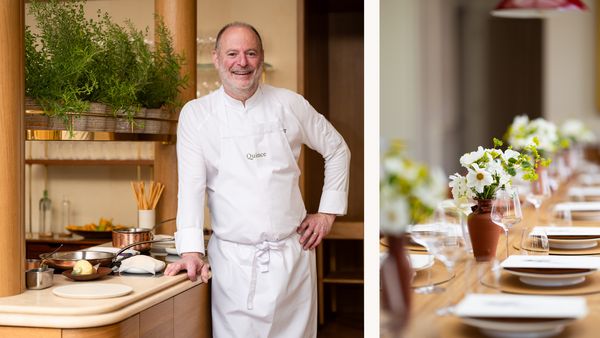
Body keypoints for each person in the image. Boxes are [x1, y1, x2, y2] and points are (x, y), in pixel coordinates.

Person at [164, 22, 350, 338]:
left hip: (292, 259)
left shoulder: (290, 104)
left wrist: (327, 213)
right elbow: (191, 187)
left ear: (261, 57)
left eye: (251, 53)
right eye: (233, 53)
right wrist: (191, 251)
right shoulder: (197, 114)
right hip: (234, 265)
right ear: (217, 58)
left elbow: (337, 150)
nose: (242, 62)